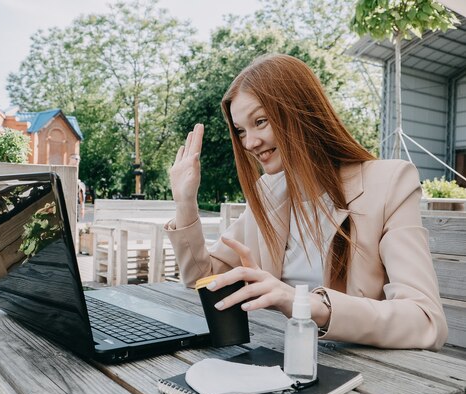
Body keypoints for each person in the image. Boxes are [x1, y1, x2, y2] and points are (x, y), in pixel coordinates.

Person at [165, 54, 448, 351]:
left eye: (260, 121)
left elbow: (426, 320)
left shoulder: (389, 183)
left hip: (361, 370)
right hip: (279, 356)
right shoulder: (269, 192)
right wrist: (185, 202)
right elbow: (203, 278)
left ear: (300, 110)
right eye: (241, 131)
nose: (249, 143)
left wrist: (305, 304)